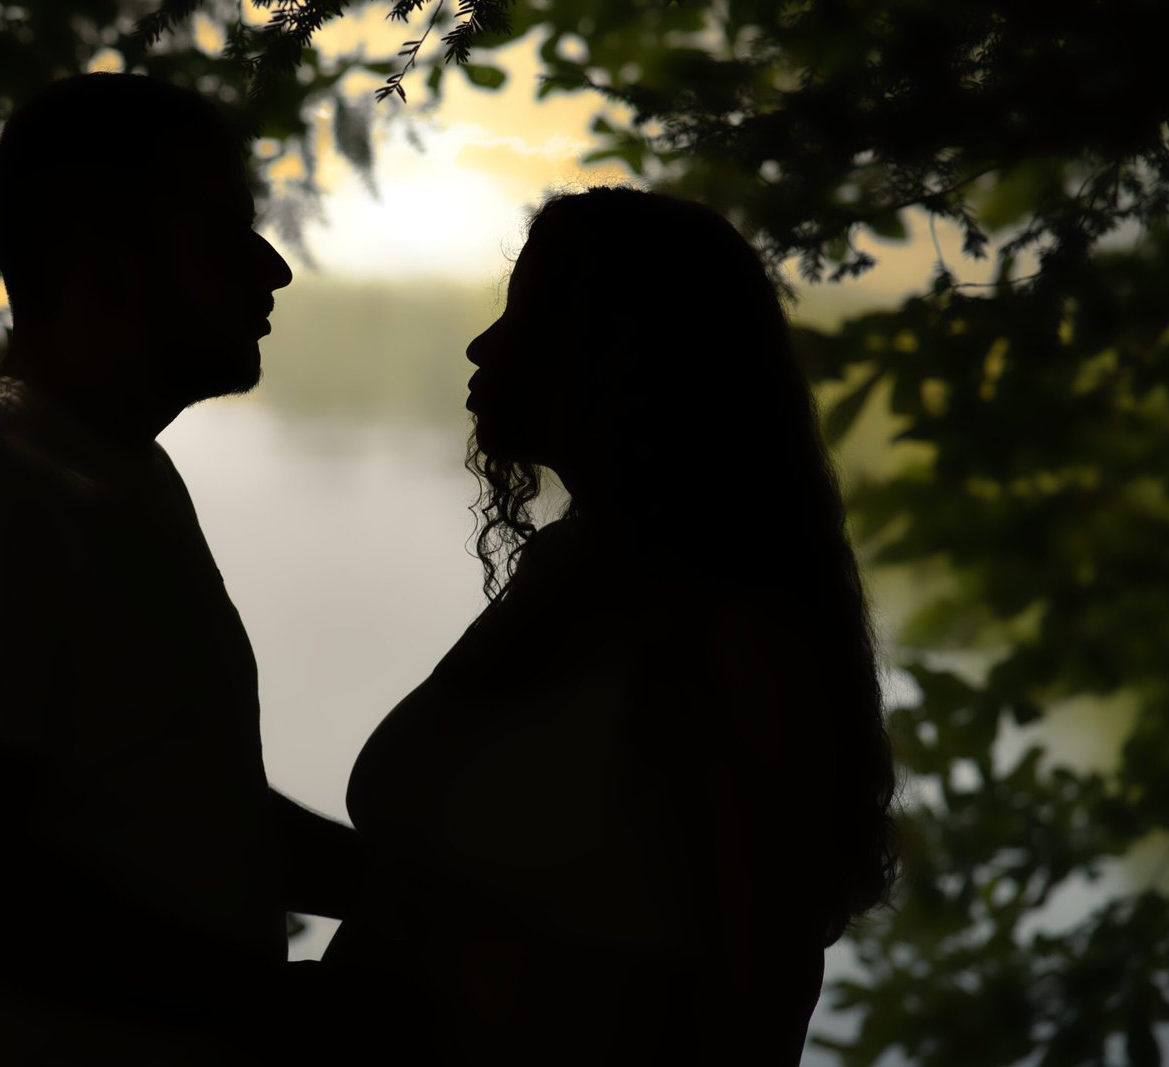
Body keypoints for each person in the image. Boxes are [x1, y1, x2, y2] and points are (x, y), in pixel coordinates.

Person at [0, 73, 359, 1065]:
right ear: (105, 269)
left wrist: (421, 891)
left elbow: (175, 807)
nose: (271, 269)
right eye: (222, 235)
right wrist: (289, 1008)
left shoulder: (108, 472)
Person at [322, 187, 900, 1064]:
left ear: (623, 356)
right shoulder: (573, 572)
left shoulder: (727, 626)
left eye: (526, 318)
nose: (482, 347)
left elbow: (761, 991)